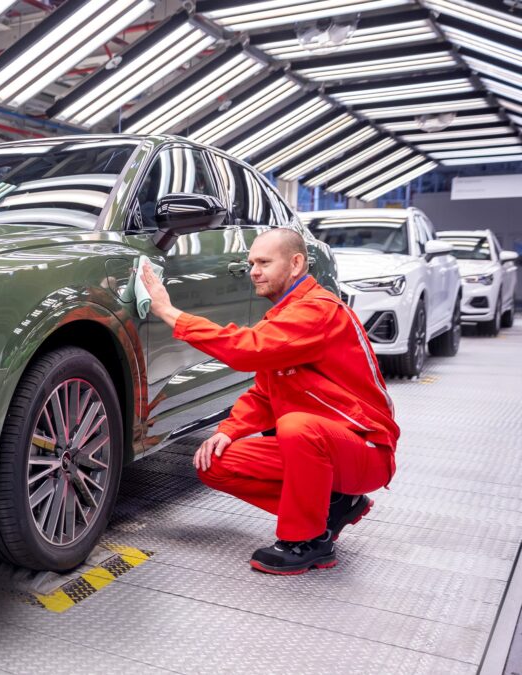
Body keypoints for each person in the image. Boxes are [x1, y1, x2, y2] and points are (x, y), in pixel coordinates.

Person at [139, 228, 400, 575]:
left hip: (365, 451)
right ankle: (334, 505)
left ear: (296, 264)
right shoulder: (283, 315)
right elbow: (264, 393)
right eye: (251, 263)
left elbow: (245, 350)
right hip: (322, 447)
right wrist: (228, 431)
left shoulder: (317, 311)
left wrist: (169, 312)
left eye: (264, 262)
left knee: (295, 425)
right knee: (215, 462)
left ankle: (306, 541)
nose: (254, 272)